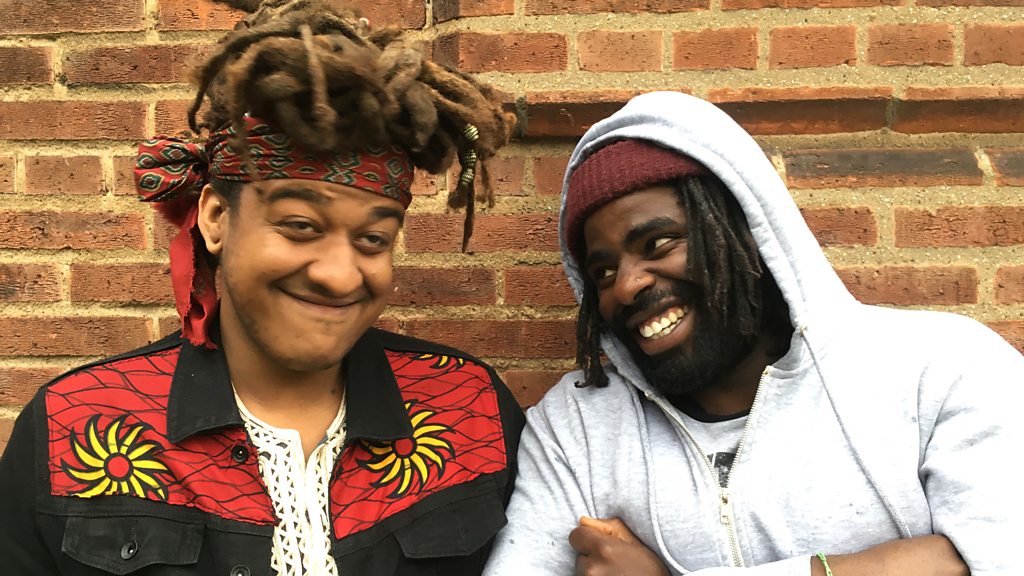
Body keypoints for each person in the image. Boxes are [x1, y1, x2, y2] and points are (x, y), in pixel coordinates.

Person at [0, 1, 524, 574]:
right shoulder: (72, 425)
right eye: (300, 226)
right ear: (216, 218)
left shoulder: (470, 409)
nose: (339, 274)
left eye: (374, 239)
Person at [483, 90, 1024, 575]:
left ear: (747, 232)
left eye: (659, 244)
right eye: (602, 271)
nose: (626, 286)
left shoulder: (943, 369)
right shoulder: (577, 426)